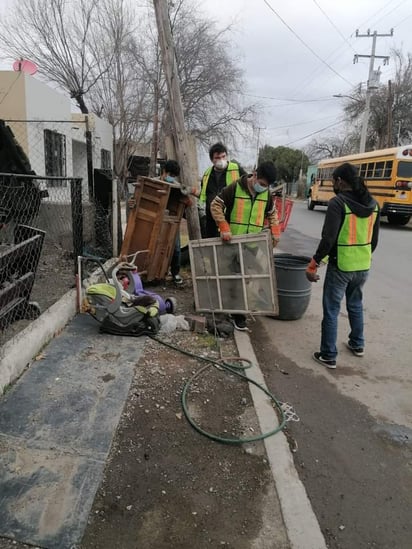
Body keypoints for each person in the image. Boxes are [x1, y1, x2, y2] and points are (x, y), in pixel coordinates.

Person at [306, 162, 380, 369]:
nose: (333, 185)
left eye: (334, 181)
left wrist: (314, 262)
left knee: (331, 309)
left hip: (341, 266)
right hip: (363, 266)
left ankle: (328, 354)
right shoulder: (373, 204)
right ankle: (357, 344)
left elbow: (328, 239)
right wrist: (361, 257)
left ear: (339, 181)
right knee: (355, 304)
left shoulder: (338, 203)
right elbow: (374, 242)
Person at [210, 161, 281, 330]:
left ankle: (240, 310)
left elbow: (272, 214)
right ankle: (236, 314)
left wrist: (275, 231)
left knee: (249, 278)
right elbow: (216, 205)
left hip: (252, 244)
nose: (263, 188)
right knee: (233, 279)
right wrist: (224, 227)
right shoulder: (235, 188)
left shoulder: (266, 194)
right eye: (262, 184)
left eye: (267, 186)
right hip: (233, 243)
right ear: (254, 174)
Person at [198, 142, 246, 238]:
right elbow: (204, 194)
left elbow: (247, 186)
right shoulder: (207, 174)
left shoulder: (236, 169)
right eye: (217, 158)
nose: (221, 160)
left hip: (230, 217)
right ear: (212, 160)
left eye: (223, 156)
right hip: (210, 219)